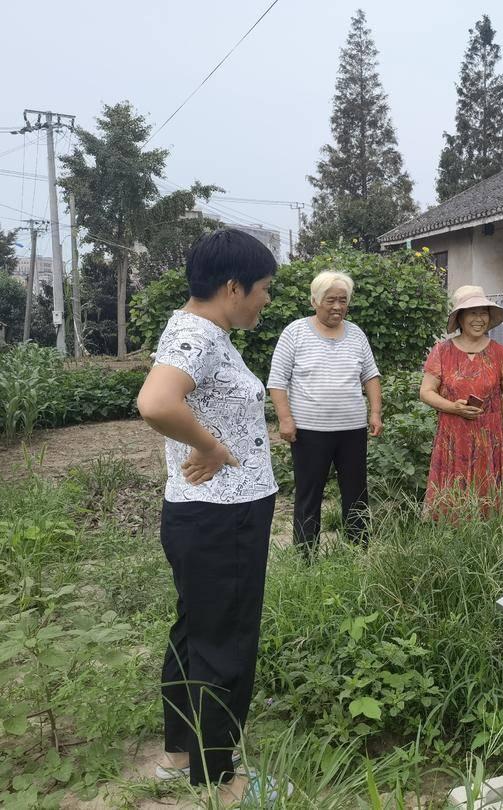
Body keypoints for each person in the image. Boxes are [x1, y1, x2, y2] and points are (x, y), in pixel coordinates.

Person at [137, 229, 290, 804]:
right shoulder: (198, 334)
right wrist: (210, 448)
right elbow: (156, 403)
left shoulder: (195, 330)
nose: (266, 301)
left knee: (196, 635)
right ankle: (222, 780)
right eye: (265, 290)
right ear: (233, 286)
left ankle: (183, 756)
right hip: (220, 517)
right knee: (224, 642)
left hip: (206, 514)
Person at [267, 271, 382, 554]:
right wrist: (285, 419)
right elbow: (277, 380)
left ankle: (358, 548)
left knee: (356, 491)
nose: (337, 307)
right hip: (309, 431)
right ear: (314, 301)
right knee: (309, 493)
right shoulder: (295, 332)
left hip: (352, 430)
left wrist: (375, 412)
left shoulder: (356, 334)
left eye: (343, 300)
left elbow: (371, 376)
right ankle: (306, 553)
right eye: (331, 300)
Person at [419, 285, 503, 519]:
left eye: (483, 312)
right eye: (472, 312)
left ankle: (486, 539)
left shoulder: (499, 352)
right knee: (451, 495)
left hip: (488, 437)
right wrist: (453, 408)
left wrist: (490, 421)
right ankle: (450, 537)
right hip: (452, 436)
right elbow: (426, 391)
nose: (478, 319)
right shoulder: (442, 351)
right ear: (460, 317)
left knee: (487, 498)